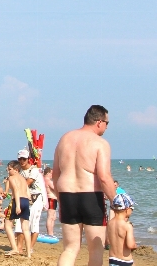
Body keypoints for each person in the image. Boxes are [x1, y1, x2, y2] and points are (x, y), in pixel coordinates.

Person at [52, 104, 117, 266]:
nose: (107, 127)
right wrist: (116, 200)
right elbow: (104, 177)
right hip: (91, 197)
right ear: (99, 122)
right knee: (96, 249)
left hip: (67, 195)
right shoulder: (100, 143)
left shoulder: (64, 139)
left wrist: (60, 197)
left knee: (70, 248)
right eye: (107, 123)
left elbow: (55, 174)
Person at [17, 149, 47, 246]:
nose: (22, 161)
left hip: (37, 198)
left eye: (24, 159)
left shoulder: (34, 170)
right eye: (20, 159)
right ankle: (20, 247)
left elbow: (27, 183)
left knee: (34, 223)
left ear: (28, 159)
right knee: (20, 222)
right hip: (25, 198)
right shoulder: (20, 171)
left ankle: (30, 247)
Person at [4, 160, 32, 257]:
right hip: (26, 201)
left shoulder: (12, 177)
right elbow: (27, 192)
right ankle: (28, 254)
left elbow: (16, 190)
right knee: (26, 229)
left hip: (17, 201)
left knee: (7, 225)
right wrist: (29, 201)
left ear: (16, 169)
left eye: (10, 169)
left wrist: (18, 205)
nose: (8, 171)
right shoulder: (23, 179)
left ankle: (14, 248)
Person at [107, 193, 136, 266]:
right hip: (125, 261)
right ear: (127, 209)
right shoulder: (127, 226)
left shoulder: (109, 223)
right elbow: (130, 245)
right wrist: (135, 245)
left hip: (112, 260)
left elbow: (107, 241)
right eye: (132, 208)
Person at [43, 165, 58, 236]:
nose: (52, 175)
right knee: (50, 217)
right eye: (51, 173)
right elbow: (56, 189)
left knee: (53, 217)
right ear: (48, 173)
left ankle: (51, 232)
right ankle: (50, 233)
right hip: (51, 199)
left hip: (51, 199)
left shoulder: (43, 179)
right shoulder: (48, 180)